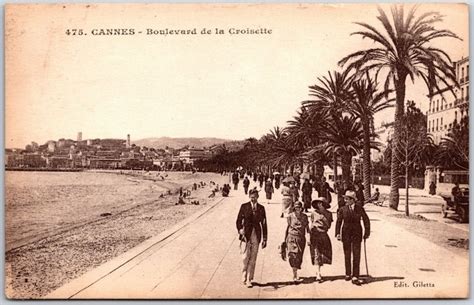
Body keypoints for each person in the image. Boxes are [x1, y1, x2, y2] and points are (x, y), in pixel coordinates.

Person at [335, 190, 370, 285]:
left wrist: (367, 233)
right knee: (347, 254)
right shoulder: (342, 209)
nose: (345, 200)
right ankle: (348, 273)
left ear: (352, 200)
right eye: (345, 198)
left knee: (356, 255)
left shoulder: (360, 208)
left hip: (357, 234)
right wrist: (337, 233)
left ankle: (355, 275)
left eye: (347, 199)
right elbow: (338, 222)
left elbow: (366, 220)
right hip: (345, 234)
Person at [236, 188, 268, 288]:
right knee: (245, 257)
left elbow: (264, 224)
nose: (253, 199)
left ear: (258, 197)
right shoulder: (244, 206)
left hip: (256, 235)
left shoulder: (261, 208)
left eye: (255, 197)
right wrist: (240, 229)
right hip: (246, 235)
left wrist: (265, 239)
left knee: (253, 258)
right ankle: (243, 276)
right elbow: (238, 220)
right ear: (249, 197)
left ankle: (249, 279)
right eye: (251, 197)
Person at [284, 201, 310, 282]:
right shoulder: (290, 216)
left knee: (299, 256)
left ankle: (296, 272)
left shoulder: (304, 217)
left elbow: (307, 229)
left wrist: (309, 238)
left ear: (301, 208)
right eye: (296, 208)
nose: (297, 209)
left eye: (299, 207)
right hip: (291, 237)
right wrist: (285, 240)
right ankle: (294, 275)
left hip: (301, 238)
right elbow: (287, 228)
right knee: (292, 255)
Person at [308, 198, 333, 282]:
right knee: (316, 253)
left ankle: (319, 271)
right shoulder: (314, 213)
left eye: (321, 203)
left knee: (323, 254)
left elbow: (329, 225)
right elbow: (311, 223)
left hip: (323, 234)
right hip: (315, 235)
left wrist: (323, 218)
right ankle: (318, 273)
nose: (319, 205)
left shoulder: (329, 214)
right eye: (318, 203)